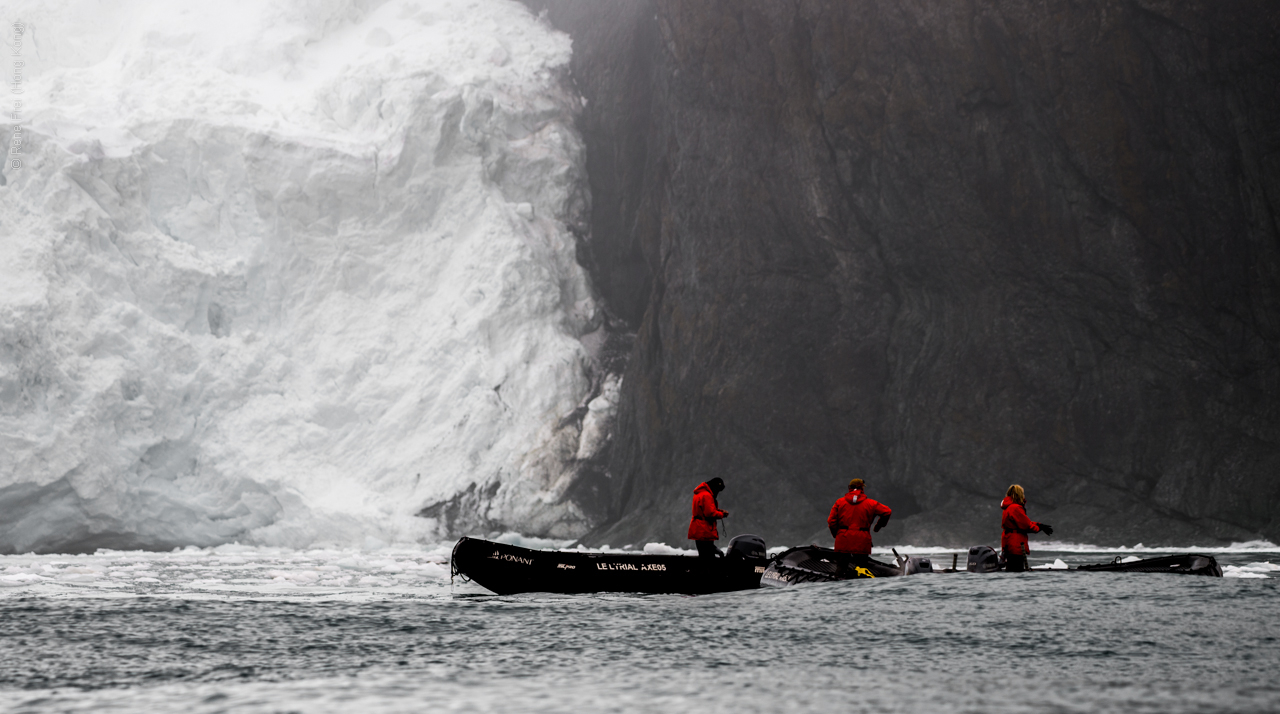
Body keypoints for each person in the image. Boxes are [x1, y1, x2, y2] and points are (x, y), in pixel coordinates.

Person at [827, 478, 892, 575]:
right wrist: (877, 527)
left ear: (849, 487)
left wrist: (837, 534)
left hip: (843, 539)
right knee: (862, 569)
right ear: (862, 488)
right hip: (862, 539)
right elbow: (887, 511)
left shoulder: (839, 502)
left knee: (841, 568)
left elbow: (831, 521)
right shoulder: (871, 503)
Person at [1000, 484, 1053, 571]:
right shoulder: (1015, 508)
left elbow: (1021, 522)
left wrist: (1039, 525)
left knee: (1010, 568)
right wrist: (1039, 528)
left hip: (1008, 541)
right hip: (1016, 542)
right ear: (1019, 494)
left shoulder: (1008, 507)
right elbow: (1026, 525)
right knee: (1017, 569)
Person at [688, 477, 729, 558]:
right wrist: (722, 514)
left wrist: (719, 511)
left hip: (698, 528)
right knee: (708, 557)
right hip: (704, 530)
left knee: (703, 554)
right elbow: (710, 513)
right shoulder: (707, 495)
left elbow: (704, 510)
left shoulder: (700, 493)